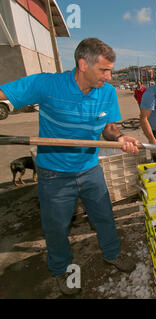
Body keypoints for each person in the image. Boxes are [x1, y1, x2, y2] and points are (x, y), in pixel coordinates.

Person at [0, 38, 140, 295]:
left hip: (90, 168)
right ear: (83, 64)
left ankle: (112, 253)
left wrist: (120, 138)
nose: (109, 76)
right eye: (104, 70)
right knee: (56, 227)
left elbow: (109, 128)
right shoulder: (48, 84)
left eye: (111, 70)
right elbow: (4, 94)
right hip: (53, 174)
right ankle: (61, 269)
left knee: (104, 217)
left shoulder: (107, 92)